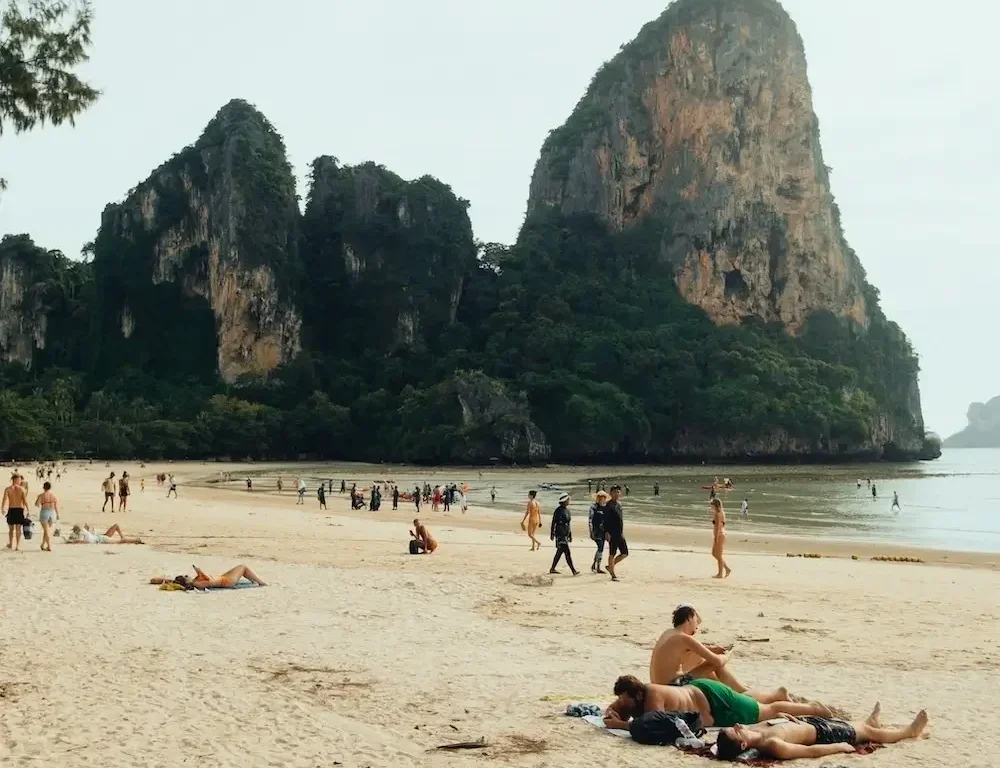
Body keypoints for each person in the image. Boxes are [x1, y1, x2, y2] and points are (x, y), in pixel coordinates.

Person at [650, 605, 788, 704]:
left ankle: (740, 691)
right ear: (690, 617)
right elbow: (717, 661)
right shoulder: (684, 638)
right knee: (715, 664)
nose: (697, 628)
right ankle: (743, 693)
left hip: (661, 685)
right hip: (674, 686)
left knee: (707, 665)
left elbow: (691, 651)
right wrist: (728, 655)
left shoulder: (669, 633)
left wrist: (713, 649)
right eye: (697, 622)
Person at [604, 676, 832, 731]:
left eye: (625, 700)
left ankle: (815, 708)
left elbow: (652, 724)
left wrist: (619, 725)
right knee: (747, 703)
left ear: (637, 696)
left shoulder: (653, 694)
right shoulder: (643, 695)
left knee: (766, 712)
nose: (624, 705)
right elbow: (622, 706)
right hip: (705, 697)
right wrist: (615, 709)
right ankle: (775, 692)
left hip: (712, 701)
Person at [715, 705, 928, 762]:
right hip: (823, 734)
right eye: (735, 731)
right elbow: (810, 752)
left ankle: (869, 722)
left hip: (809, 723)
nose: (736, 725)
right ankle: (909, 732)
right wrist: (838, 747)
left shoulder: (752, 730)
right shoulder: (772, 745)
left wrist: (782, 715)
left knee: (854, 725)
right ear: (743, 745)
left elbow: (773, 722)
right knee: (868, 733)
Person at [152, 564, 266, 588]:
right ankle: (260, 582)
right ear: (187, 581)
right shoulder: (199, 582)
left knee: (242, 569)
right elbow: (206, 578)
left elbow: (155, 580)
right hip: (227, 581)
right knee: (243, 567)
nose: (188, 576)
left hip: (223, 578)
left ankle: (255, 581)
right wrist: (199, 571)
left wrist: (165, 580)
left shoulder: (195, 583)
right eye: (186, 576)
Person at [549, 493, 579, 575]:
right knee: (566, 552)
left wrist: (570, 534)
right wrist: (552, 533)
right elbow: (553, 522)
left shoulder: (567, 511)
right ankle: (573, 570)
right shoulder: (558, 510)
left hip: (565, 533)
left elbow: (568, 524)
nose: (569, 501)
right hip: (560, 533)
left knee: (560, 552)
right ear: (565, 501)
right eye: (568, 500)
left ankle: (552, 568)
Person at [604, 486, 628, 581]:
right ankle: (613, 574)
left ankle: (611, 566)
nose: (616, 494)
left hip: (620, 533)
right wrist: (606, 532)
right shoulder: (608, 505)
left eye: (618, 492)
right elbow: (605, 520)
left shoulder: (619, 505)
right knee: (612, 553)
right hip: (612, 533)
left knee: (625, 553)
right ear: (610, 494)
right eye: (614, 492)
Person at [3, 474, 29, 551]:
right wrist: (28, 509)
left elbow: (4, 500)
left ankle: (11, 544)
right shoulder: (22, 489)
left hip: (11, 510)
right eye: (20, 480)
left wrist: (2, 508)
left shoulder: (7, 489)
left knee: (11, 529)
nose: (21, 481)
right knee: (18, 529)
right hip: (20, 510)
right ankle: (17, 546)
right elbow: (25, 500)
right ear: (17, 480)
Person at [35, 481, 60, 552]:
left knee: (46, 531)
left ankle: (49, 546)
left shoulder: (41, 495)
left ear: (43, 487)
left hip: (44, 512)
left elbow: (37, 504)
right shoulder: (53, 496)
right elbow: (56, 507)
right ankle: (43, 545)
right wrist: (58, 515)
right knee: (46, 531)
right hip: (52, 513)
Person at [67, 523, 144, 545]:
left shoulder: (81, 533)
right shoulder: (83, 531)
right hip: (101, 538)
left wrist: (73, 542)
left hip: (102, 539)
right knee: (120, 540)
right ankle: (133, 540)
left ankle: (136, 539)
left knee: (120, 541)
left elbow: (83, 542)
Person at [711, 498, 731, 578]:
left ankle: (720, 573)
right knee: (714, 553)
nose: (711, 507)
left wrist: (716, 538)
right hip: (721, 533)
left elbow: (718, 527)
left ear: (715, 505)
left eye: (712, 505)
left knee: (718, 555)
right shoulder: (721, 513)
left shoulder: (717, 514)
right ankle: (726, 568)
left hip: (719, 534)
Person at [589, 490, 607, 573]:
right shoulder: (593, 507)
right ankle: (598, 566)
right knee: (600, 547)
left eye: (603, 497)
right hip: (596, 531)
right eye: (600, 497)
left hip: (603, 531)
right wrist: (591, 531)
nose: (601, 499)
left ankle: (594, 564)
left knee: (601, 548)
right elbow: (590, 520)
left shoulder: (606, 508)